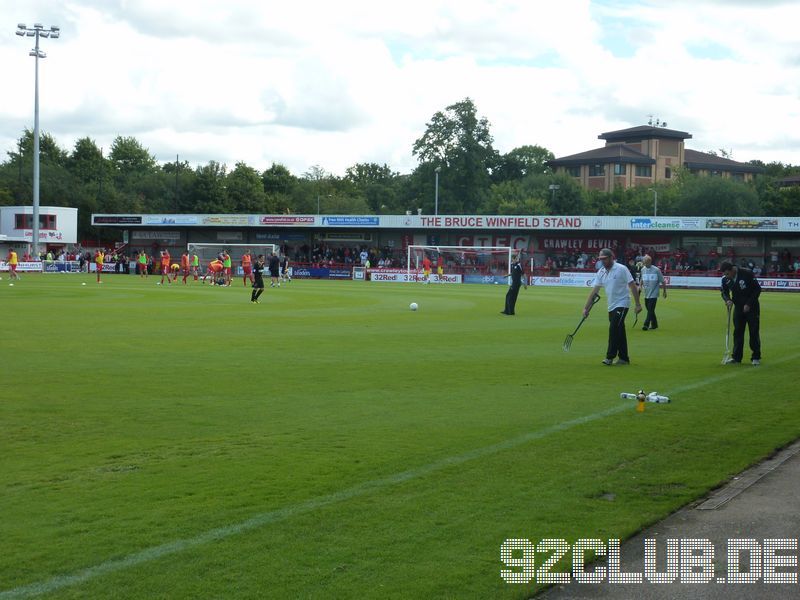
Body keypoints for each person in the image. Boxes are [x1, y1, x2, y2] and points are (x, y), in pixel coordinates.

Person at [582, 248, 642, 366]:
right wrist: (586, 308)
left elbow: (632, 286)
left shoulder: (621, 269)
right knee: (619, 331)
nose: (602, 261)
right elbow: (595, 291)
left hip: (623, 303)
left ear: (611, 257)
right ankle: (624, 358)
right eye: (600, 259)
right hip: (611, 305)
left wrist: (638, 304)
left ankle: (609, 357)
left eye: (604, 259)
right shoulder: (601, 272)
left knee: (613, 328)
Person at [720, 260, 762, 365]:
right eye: (724, 274)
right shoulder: (726, 279)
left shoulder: (746, 273)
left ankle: (755, 357)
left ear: (732, 270)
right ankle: (737, 358)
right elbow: (724, 292)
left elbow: (757, 289)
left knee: (753, 332)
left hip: (752, 307)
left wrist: (748, 304)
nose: (726, 276)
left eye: (727, 273)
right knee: (737, 332)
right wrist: (728, 300)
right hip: (738, 307)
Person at [639, 255, 667, 330]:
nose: (644, 263)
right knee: (650, 310)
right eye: (644, 262)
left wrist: (664, 291)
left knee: (650, 309)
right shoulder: (643, 269)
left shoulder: (656, 270)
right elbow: (642, 278)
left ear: (650, 261)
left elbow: (663, 281)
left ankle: (646, 324)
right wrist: (640, 286)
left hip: (654, 294)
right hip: (646, 293)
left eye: (646, 262)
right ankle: (654, 324)